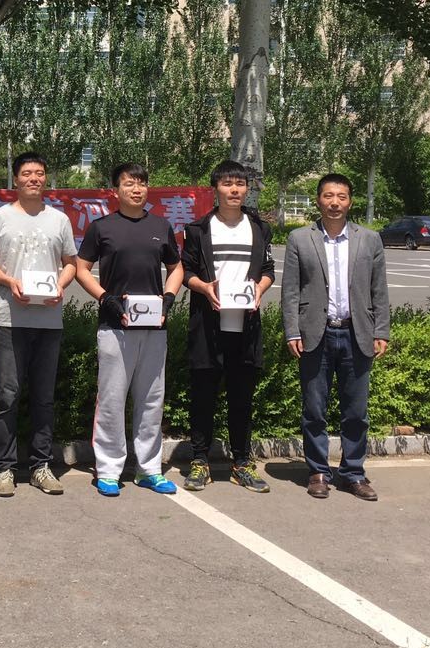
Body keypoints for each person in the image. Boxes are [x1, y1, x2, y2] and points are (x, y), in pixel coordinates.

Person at [76, 162, 183, 497]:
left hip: (154, 327)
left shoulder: (161, 226)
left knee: (151, 399)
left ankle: (149, 469)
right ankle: (108, 470)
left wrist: (168, 299)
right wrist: (105, 298)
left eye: (142, 183)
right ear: (115, 190)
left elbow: (176, 267)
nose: (137, 189)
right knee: (111, 399)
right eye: (129, 184)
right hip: (114, 327)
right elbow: (81, 268)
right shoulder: (101, 227)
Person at [282, 173, 391, 500]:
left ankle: (353, 473)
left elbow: (379, 289)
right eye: (328, 196)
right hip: (315, 333)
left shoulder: (369, 239)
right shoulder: (300, 239)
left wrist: (381, 330)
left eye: (341, 197)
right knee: (314, 409)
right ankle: (318, 471)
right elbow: (290, 291)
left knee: (356, 411)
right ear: (319, 200)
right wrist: (292, 330)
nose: (334, 203)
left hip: (357, 333)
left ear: (350, 202)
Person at [0, 152, 78, 497]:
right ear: (16, 179)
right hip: (10, 318)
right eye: (26, 173)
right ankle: (4, 468)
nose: (33, 178)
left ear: (45, 178)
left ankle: (40, 466)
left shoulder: (59, 220)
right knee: (8, 395)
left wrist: (61, 285)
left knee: (43, 397)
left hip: (49, 321)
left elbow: (70, 263)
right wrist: (10, 282)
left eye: (39, 173)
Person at [179, 159, 275, 494]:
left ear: (247, 189)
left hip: (246, 327)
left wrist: (260, 289)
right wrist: (204, 288)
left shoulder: (259, 228)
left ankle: (241, 463)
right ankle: (200, 461)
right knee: (203, 397)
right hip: (208, 326)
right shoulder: (199, 229)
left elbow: (267, 269)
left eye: (240, 184)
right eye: (227, 184)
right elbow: (186, 271)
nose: (234, 190)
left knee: (242, 398)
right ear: (215, 189)